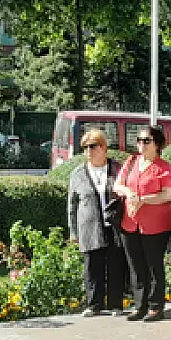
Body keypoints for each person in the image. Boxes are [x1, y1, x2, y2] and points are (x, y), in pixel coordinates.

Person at [113, 124, 171, 322]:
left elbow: (168, 194)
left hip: (155, 225)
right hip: (130, 222)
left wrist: (143, 199)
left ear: (157, 144)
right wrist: (130, 193)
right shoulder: (131, 161)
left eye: (146, 141)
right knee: (136, 266)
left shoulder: (163, 167)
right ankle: (140, 305)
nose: (141, 144)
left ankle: (156, 306)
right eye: (139, 140)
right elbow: (117, 185)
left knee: (154, 265)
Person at [67, 129, 126, 317]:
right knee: (92, 266)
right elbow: (72, 205)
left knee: (116, 265)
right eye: (85, 147)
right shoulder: (78, 174)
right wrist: (73, 233)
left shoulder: (117, 168)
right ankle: (94, 305)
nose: (88, 151)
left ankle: (116, 304)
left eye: (92, 146)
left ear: (103, 148)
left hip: (115, 227)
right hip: (89, 227)